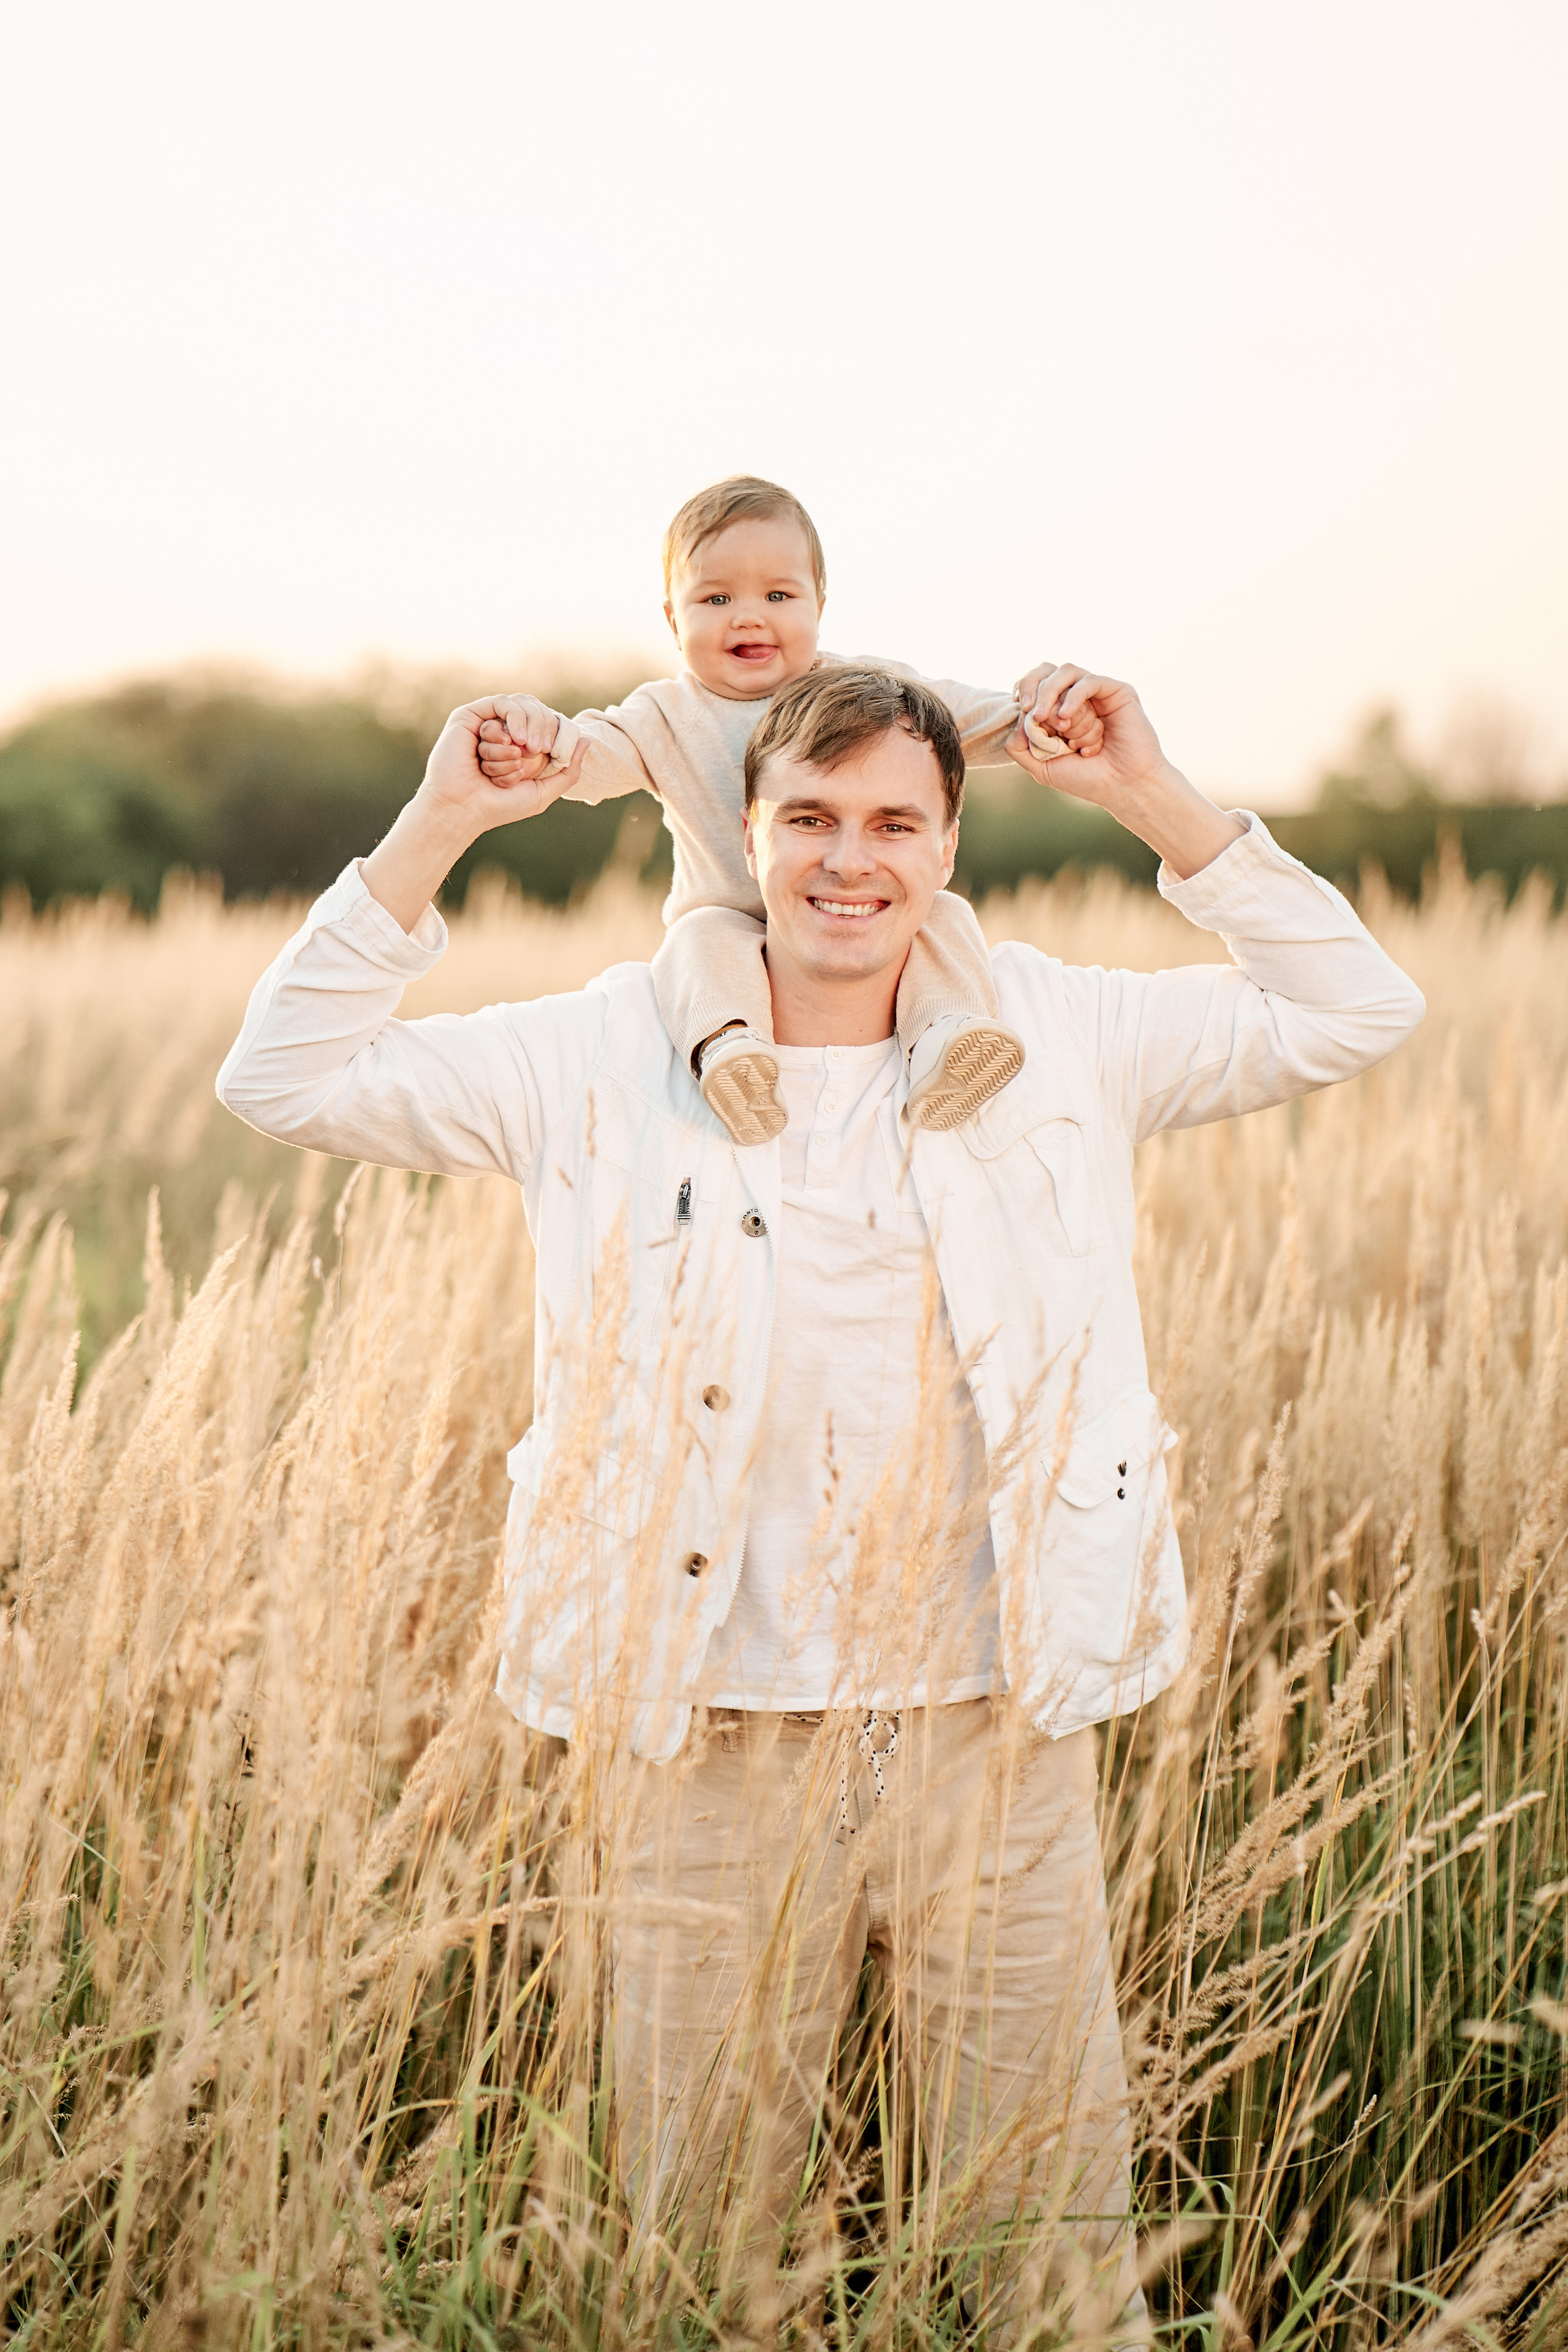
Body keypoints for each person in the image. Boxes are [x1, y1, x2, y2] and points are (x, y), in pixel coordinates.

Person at [216, 660, 1423, 2342]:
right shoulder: (598, 1053)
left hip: (991, 1725)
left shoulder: (1060, 1034)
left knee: (1046, 2247)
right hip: (702, 1736)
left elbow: (1353, 1008)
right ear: (748, 831)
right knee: (697, 2242)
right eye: (810, 819)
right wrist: (440, 822)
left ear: (946, 845)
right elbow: (280, 1075)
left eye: (893, 824)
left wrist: (1149, 796)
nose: (850, 861)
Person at [472, 473, 1089, 1145]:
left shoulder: (864, 690)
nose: (748, 616)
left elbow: (959, 718)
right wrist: (536, 743)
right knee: (695, 941)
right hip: (730, 915)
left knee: (944, 915)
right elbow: (588, 753)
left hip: (853, 907)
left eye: (778, 595)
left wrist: (1037, 719)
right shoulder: (665, 715)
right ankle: (732, 1052)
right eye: (716, 598)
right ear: (674, 620)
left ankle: (949, 1037)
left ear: (819, 603)